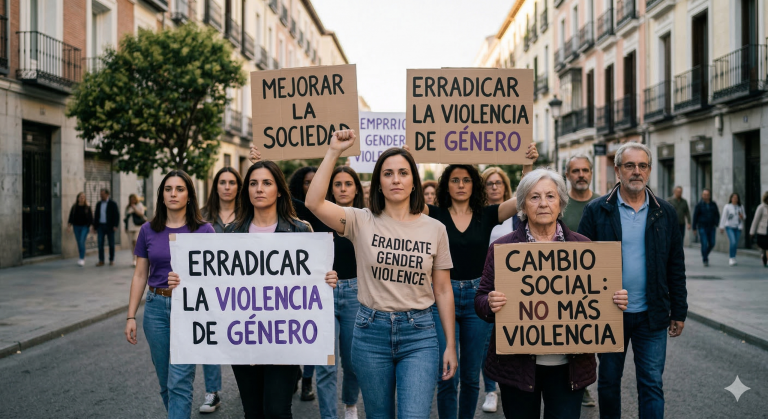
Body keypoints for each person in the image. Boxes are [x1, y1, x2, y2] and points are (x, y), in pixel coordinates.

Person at [304, 130, 458, 419]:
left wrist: (450, 344)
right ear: (378, 184)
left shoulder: (435, 229)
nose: (396, 179)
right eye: (388, 174)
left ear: (414, 181)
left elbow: (443, 290)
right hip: (370, 333)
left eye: (403, 172)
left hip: (420, 335)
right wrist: (334, 151)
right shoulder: (360, 220)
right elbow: (314, 203)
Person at [475, 168, 628, 419]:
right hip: (517, 368)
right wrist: (489, 303)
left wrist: (614, 300)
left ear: (561, 203)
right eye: (534, 197)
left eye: (550, 196)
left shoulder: (584, 248)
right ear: (523, 204)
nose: (543, 203)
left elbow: (599, 297)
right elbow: (480, 300)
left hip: (569, 368)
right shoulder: (502, 249)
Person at [424, 144, 537, 419]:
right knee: (447, 374)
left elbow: (523, 199)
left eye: (466, 180)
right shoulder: (433, 214)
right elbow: (408, 196)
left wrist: (527, 166)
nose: (461, 185)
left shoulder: (488, 214)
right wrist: (409, 156)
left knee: (472, 375)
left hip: (477, 297)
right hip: (443, 295)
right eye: (455, 180)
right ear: (446, 186)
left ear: (475, 185)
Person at [251, 145, 363, 419]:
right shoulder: (316, 213)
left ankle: (349, 404)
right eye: (337, 184)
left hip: (356, 295)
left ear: (357, 189)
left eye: (349, 184)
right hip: (321, 294)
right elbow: (280, 193)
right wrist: (264, 163)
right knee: (325, 364)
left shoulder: (366, 218)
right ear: (330, 188)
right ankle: (329, 416)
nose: (343, 188)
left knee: (352, 363)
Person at [578, 142, 688, 419]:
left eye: (642, 166)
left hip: (652, 313)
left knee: (652, 383)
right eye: (629, 165)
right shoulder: (596, 211)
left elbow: (676, 265)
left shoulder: (666, 212)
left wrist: (680, 310)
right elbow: (580, 265)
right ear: (617, 170)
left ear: (649, 170)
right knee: (609, 382)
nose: (636, 171)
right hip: (608, 313)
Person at [221, 160, 337, 419]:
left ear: (280, 191)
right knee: (253, 411)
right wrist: (185, 282)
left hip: (284, 336)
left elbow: (312, 282)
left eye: (266, 183)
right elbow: (217, 283)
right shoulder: (231, 233)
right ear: (246, 191)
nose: (259, 189)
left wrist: (326, 279)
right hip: (245, 336)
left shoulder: (299, 230)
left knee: (277, 410)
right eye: (253, 183)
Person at [124, 170, 215, 419]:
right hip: (155, 309)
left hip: (190, 310)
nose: (173, 193)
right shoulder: (147, 230)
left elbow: (216, 276)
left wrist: (189, 281)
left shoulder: (205, 231)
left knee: (180, 383)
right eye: (168, 189)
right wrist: (130, 316)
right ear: (161, 195)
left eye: (180, 189)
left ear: (189, 196)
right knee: (166, 383)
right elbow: (141, 275)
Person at [196, 166, 243, 413]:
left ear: (238, 186)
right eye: (222, 182)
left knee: (246, 337)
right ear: (215, 187)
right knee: (210, 339)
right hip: (211, 290)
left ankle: (252, 387)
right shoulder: (201, 216)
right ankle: (212, 392)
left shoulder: (248, 215)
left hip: (243, 292)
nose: (227, 187)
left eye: (232, 182)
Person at [287, 165, 319, 400]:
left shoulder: (326, 208)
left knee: (311, 335)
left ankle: (307, 379)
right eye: (308, 182)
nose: (312, 186)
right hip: (291, 280)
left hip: (317, 280)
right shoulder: (291, 208)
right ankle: (293, 371)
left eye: (317, 181)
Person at [561, 156, 598, 233]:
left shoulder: (602, 204)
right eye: (575, 171)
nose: (581, 175)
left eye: (585, 170)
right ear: (567, 175)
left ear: (591, 174)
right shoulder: (559, 203)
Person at [692, 189, 719, 267]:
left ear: (710, 195)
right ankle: (705, 259)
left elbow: (717, 214)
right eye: (704, 194)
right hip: (702, 227)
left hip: (711, 227)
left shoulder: (713, 204)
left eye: (707, 194)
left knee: (712, 243)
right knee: (704, 243)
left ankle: (705, 253)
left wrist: (716, 222)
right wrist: (694, 228)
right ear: (702, 195)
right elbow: (695, 216)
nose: (706, 196)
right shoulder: (699, 205)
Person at [93, 188, 120, 266]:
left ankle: (111, 259)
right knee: (100, 243)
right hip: (100, 226)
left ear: (107, 194)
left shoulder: (112, 203)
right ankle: (101, 260)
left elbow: (116, 215)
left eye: (103, 194)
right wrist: (95, 227)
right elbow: (96, 215)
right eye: (101, 194)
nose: (101, 196)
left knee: (111, 244)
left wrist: (115, 225)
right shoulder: (99, 204)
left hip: (110, 226)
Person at [67, 192, 93, 266]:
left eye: (83, 197)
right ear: (78, 198)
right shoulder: (74, 207)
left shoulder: (87, 207)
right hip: (76, 226)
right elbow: (71, 217)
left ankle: (81, 258)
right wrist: (69, 226)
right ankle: (81, 256)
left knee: (82, 240)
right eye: (81, 197)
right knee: (79, 242)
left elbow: (91, 218)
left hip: (85, 227)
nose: (82, 198)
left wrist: (91, 226)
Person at [720, 193, 746, 266]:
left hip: (738, 227)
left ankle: (734, 257)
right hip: (729, 226)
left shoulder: (740, 207)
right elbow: (724, 217)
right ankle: (731, 257)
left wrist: (742, 216)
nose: (735, 199)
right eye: (733, 198)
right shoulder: (727, 206)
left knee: (735, 243)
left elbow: (744, 217)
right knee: (733, 242)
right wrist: (721, 227)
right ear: (731, 198)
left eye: (736, 198)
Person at [125, 194, 146, 266]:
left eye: (133, 199)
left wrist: (134, 208)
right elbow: (126, 218)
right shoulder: (128, 207)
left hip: (137, 227)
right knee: (131, 244)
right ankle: (134, 259)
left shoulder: (139, 205)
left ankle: (138, 259)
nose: (132, 200)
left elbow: (141, 214)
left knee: (135, 242)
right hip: (130, 227)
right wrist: (126, 227)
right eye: (131, 199)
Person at [749, 191, 768, 267]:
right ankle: (764, 256)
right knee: (764, 248)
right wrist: (752, 232)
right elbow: (755, 220)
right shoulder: (761, 207)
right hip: (762, 232)